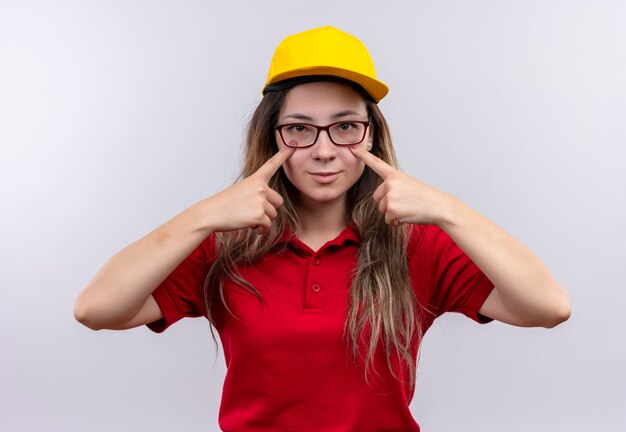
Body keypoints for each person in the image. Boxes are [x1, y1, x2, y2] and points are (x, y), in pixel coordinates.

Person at [74, 26, 571, 431]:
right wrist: (204, 215)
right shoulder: (226, 247)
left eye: (345, 125)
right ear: (272, 136)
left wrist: (448, 209)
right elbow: (96, 309)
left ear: (371, 133)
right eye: (300, 128)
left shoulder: (415, 243)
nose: (325, 149)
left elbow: (548, 308)